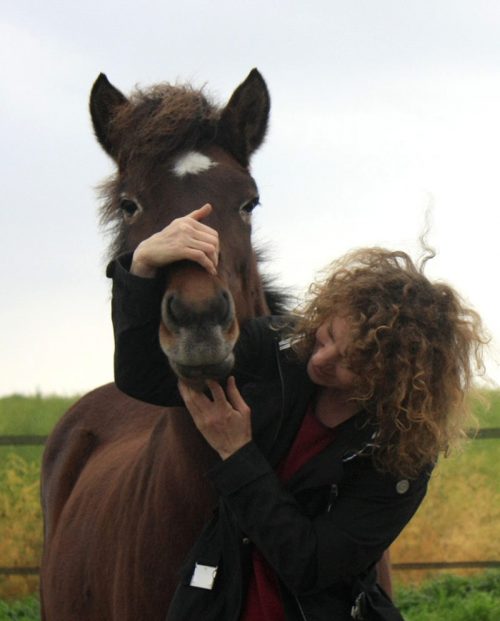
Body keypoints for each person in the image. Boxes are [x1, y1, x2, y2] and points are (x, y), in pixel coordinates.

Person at [107, 204, 487, 621]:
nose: (321, 358)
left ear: (388, 382)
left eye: (349, 364)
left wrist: (238, 453)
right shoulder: (279, 350)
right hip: (214, 601)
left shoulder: (402, 460)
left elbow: (311, 565)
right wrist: (138, 268)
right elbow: (145, 377)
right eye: (327, 336)